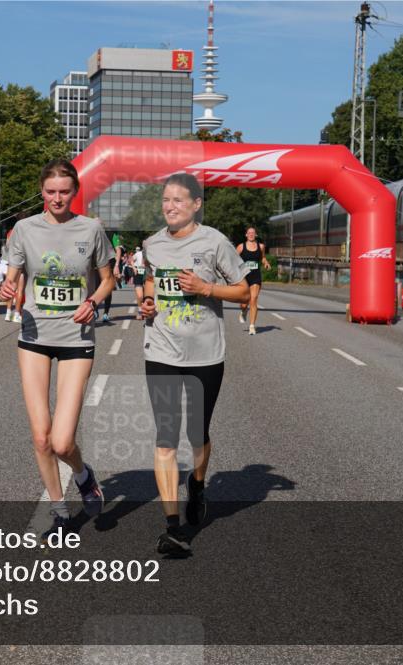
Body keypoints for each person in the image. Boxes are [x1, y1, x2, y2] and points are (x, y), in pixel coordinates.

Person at [0, 158, 115, 542]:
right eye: (50, 192)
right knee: (40, 436)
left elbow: (107, 278)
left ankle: (83, 476)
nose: (57, 198)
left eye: (64, 192)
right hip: (33, 336)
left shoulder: (92, 229)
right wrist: (8, 289)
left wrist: (94, 301)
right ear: (42, 191)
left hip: (76, 339)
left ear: (75, 192)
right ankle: (60, 511)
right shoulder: (25, 230)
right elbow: (14, 277)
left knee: (63, 441)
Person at [138, 173, 250, 555]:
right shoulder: (152, 244)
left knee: (196, 435)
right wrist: (148, 301)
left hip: (205, 354)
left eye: (178, 201)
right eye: (165, 200)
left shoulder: (214, 242)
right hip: (161, 351)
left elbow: (243, 291)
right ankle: (173, 527)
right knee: (166, 437)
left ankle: (198, 484)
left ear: (196, 204)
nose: (169, 206)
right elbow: (152, 282)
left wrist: (207, 289)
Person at [235, 227, 271, 334]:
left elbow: (263, 257)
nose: (251, 234)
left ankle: (252, 326)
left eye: (253, 233)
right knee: (244, 303)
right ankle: (243, 310)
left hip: (255, 276)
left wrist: (266, 263)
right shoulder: (241, 247)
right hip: (243, 277)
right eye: (249, 233)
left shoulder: (261, 246)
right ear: (246, 235)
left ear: (256, 235)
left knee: (253, 299)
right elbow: (233, 260)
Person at [132, 244, 146, 319]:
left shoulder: (151, 253)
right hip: (138, 273)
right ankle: (140, 311)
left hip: (148, 274)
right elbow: (131, 260)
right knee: (140, 295)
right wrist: (134, 268)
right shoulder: (138, 254)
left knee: (147, 294)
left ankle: (147, 310)